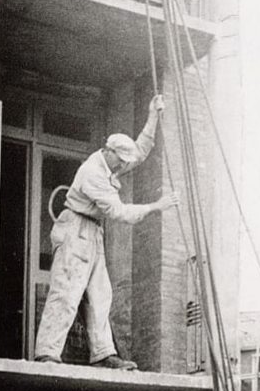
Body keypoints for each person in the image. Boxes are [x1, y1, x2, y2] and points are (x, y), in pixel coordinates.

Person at [34, 94, 178, 370]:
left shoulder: (112, 160)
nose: (125, 166)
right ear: (109, 152)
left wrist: (153, 115)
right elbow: (119, 213)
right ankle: (46, 352)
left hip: (92, 231)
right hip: (75, 229)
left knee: (101, 293)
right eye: (121, 161)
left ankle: (102, 353)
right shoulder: (93, 174)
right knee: (67, 290)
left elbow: (140, 150)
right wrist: (156, 206)